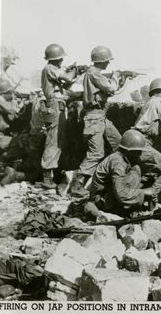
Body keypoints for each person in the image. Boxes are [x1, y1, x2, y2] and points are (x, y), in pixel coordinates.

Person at [71, 46, 123, 197]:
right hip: (94, 118)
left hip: (101, 116)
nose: (108, 63)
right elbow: (111, 88)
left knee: (120, 143)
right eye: (107, 60)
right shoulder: (94, 74)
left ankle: (115, 178)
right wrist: (116, 77)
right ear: (102, 61)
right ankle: (78, 184)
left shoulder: (94, 73)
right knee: (96, 153)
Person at [83, 129, 149, 219]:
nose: (140, 154)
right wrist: (143, 194)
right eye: (137, 151)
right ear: (129, 150)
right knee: (135, 171)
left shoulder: (123, 159)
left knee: (136, 169)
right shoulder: (118, 162)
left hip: (110, 195)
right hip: (101, 200)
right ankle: (122, 211)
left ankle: (129, 209)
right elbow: (121, 194)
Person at [39, 44, 79, 189]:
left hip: (57, 106)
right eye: (61, 58)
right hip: (54, 107)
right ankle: (47, 177)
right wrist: (74, 71)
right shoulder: (50, 68)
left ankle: (52, 173)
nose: (62, 60)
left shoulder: (52, 70)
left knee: (59, 140)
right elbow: (67, 79)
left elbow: (64, 87)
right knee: (53, 141)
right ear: (56, 58)